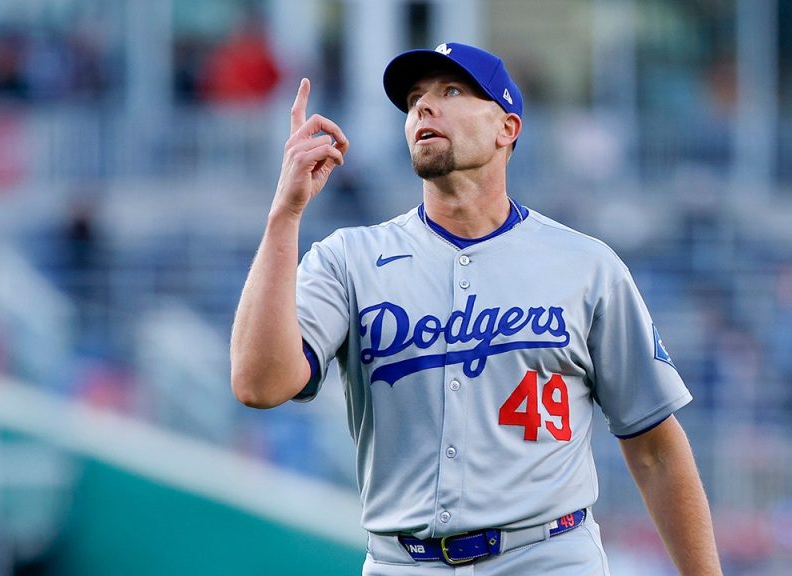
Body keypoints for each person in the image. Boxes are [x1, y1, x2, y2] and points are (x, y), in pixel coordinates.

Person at [230, 42, 722, 575]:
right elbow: (259, 384)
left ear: (506, 128)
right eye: (415, 98)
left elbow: (655, 449)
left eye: (452, 91)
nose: (423, 106)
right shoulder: (349, 259)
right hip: (403, 561)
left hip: (548, 556)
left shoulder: (586, 266)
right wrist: (286, 213)